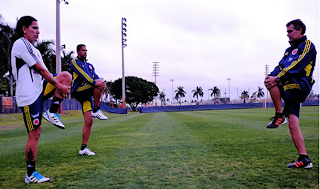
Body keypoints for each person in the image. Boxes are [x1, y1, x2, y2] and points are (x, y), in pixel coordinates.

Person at [11, 16, 72, 183]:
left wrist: (60, 84)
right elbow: (40, 69)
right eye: (34, 28)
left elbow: (45, 72)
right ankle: (30, 174)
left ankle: (52, 112)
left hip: (39, 90)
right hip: (28, 96)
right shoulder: (20, 44)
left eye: (39, 29)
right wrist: (58, 86)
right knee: (34, 134)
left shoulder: (35, 50)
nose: (38, 31)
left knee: (65, 76)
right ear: (24, 28)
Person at [264, 19, 316, 169]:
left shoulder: (307, 45)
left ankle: (279, 115)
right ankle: (304, 159)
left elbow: (298, 64)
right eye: (287, 31)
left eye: (290, 31)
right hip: (289, 85)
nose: (288, 34)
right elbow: (280, 65)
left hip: (301, 84)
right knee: (293, 124)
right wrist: (273, 75)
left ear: (300, 30)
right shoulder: (288, 50)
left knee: (272, 82)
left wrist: (278, 78)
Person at [70, 44, 108, 156]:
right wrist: (96, 83)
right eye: (83, 50)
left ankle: (83, 148)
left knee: (89, 121)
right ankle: (96, 110)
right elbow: (83, 76)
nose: (85, 52)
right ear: (78, 52)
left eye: (86, 50)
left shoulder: (90, 65)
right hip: (78, 90)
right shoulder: (75, 62)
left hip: (86, 95)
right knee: (96, 85)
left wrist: (101, 82)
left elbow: (95, 77)